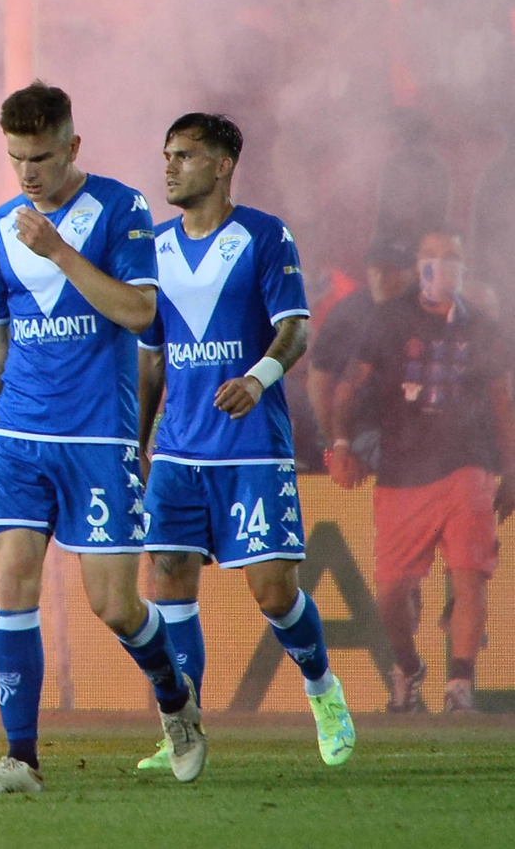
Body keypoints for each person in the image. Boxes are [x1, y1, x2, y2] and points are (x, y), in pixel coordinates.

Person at [0, 81, 202, 795]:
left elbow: (139, 313)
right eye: (15, 160)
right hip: (17, 435)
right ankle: (20, 760)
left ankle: (176, 704)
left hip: (97, 438)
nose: (27, 173)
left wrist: (62, 252)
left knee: (115, 606)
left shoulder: (122, 209)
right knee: (12, 583)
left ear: (72, 146)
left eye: (39, 157)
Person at [135, 112, 356, 773]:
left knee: (273, 592)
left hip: (251, 444)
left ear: (224, 164)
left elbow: (295, 331)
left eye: (186, 155)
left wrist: (257, 380)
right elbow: (151, 359)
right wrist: (138, 445)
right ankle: (184, 727)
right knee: (167, 576)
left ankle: (324, 691)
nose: (171, 166)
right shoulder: (153, 247)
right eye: (167, 154)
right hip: (177, 448)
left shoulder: (264, 236)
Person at [331, 231, 515, 714]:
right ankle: (408, 666)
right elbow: (349, 386)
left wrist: (511, 468)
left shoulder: (484, 327)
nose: (441, 267)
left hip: (468, 464)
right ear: (418, 266)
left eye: (451, 258)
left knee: (470, 576)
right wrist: (342, 443)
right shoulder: (390, 318)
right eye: (432, 258)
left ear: (464, 267)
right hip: (403, 469)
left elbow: (502, 403)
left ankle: (460, 686)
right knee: (391, 590)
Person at [307, 237, 420, 475]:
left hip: (419, 428)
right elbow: (319, 382)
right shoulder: (346, 313)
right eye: (375, 269)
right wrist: (337, 445)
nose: (381, 277)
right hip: (360, 429)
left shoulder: (428, 310)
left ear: (413, 273)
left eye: (392, 270)